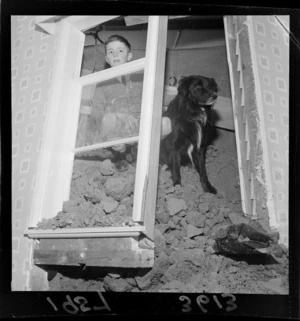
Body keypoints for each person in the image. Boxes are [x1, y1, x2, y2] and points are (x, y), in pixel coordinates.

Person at [87, 35, 172, 170]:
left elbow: (161, 96)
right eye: (110, 52)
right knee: (109, 119)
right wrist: (119, 116)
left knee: (165, 123)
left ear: (130, 55)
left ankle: (140, 151)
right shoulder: (102, 83)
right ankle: (119, 155)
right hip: (118, 129)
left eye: (120, 51)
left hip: (140, 125)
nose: (115, 54)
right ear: (107, 59)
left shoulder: (142, 77)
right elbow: (96, 112)